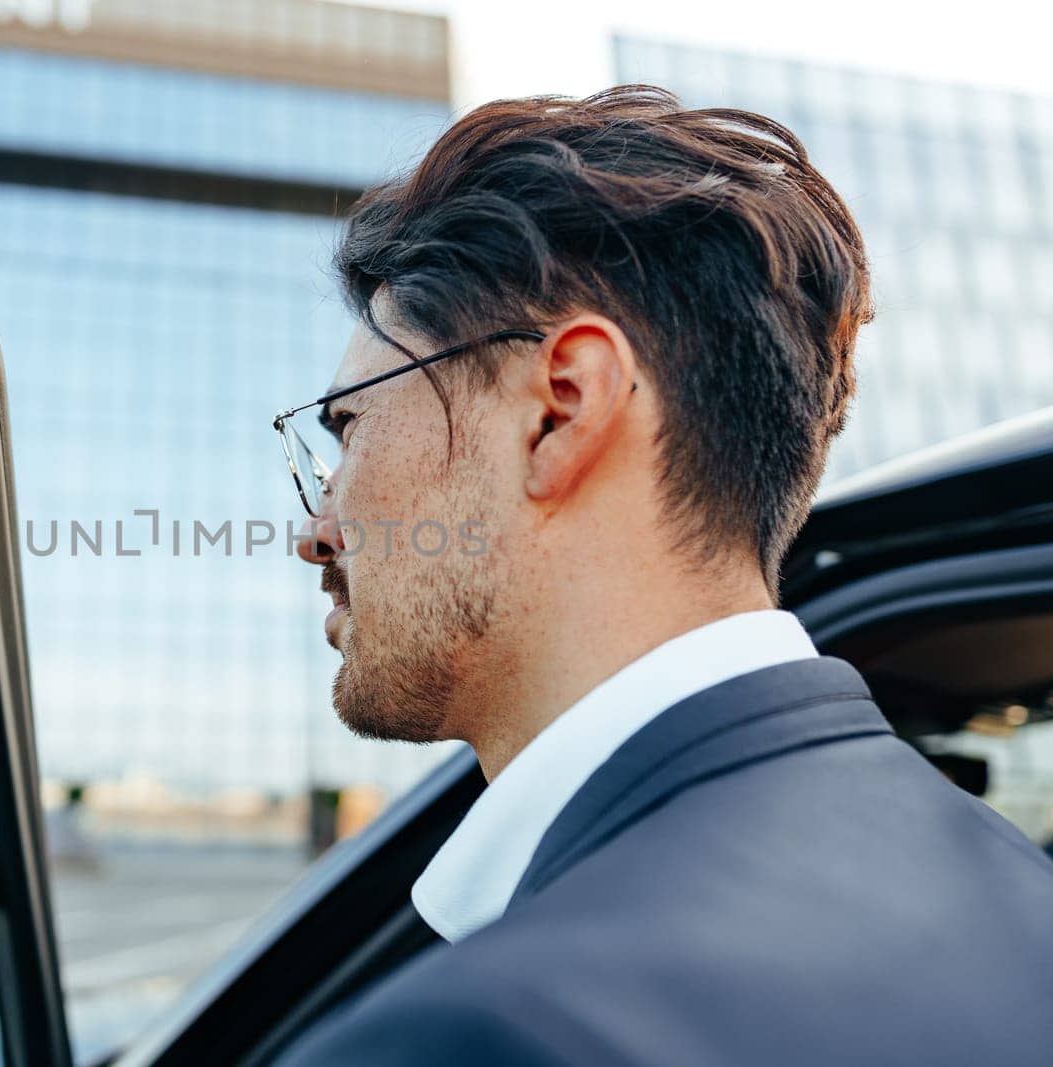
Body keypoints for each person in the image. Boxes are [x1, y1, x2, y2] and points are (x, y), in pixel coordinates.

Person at [272, 86, 1053, 1065]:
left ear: (560, 407)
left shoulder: (495, 1029)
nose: (316, 527)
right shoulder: (1017, 886)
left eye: (348, 431)